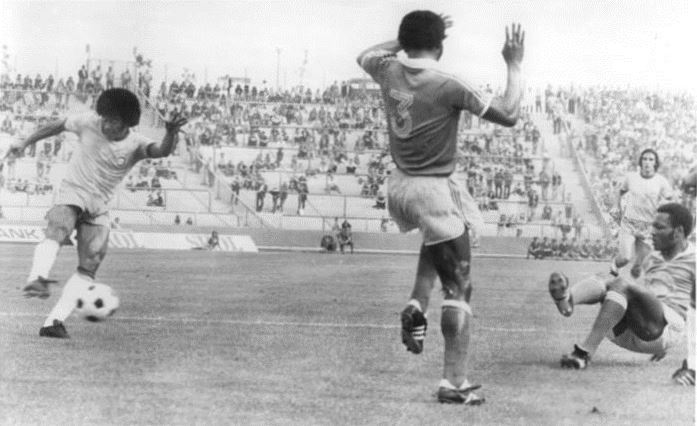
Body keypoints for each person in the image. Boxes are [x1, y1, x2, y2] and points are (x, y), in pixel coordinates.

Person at [357, 11, 524, 404]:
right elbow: (511, 114)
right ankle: (453, 382)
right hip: (432, 188)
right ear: (441, 44)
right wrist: (513, 64)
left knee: (441, 241)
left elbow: (366, 53)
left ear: (403, 39)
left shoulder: (387, 69)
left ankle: (417, 303)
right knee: (460, 284)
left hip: (401, 184)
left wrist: (404, 40)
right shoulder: (448, 83)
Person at [4, 88, 187, 338]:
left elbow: (162, 151)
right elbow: (57, 125)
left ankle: (52, 322)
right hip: (74, 191)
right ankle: (37, 277)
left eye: (114, 121)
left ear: (127, 124)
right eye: (105, 118)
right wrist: (25, 141)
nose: (107, 124)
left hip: (99, 205)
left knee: (91, 262)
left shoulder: (136, 143)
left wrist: (171, 133)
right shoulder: (88, 122)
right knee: (59, 225)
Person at [548, 203, 694, 374]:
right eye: (653, 226)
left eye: (659, 227)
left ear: (678, 232)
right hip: (631, 330)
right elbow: (646, 295)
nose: (652, 231)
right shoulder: (651, 257)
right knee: (610, 280)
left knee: (622, 283)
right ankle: (567, 300)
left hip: (666, 330)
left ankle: (584, 352)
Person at [613, 149, 673, 278]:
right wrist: (617, 207)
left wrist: (664, 214)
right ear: (640, 161)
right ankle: (615, 264)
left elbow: (670, 200)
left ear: (655, 163)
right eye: (645, 159)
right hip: (629, 223)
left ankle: (632, 292)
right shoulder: (631, 177)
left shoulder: (661, 181)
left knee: (638, 267)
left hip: (648, 227)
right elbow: (620, 191)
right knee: (625, 258)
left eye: (651, 159)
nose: (647, 162)